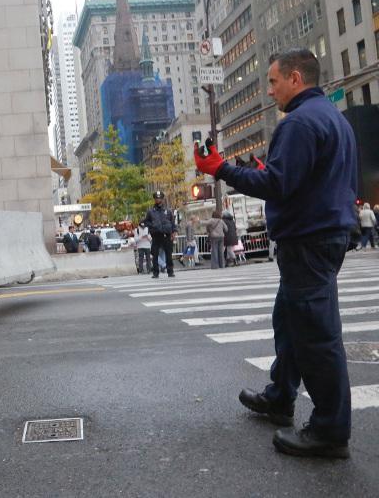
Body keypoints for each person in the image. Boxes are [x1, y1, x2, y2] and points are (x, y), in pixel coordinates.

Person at [194, 49, 357, 458]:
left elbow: (278, 185)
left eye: (273, 81)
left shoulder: (299, 122)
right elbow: (299, 180)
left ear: (296, 78)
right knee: (288, 321)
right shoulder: (333, 119)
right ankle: (280, 396)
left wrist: (221, 169)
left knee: (317, 337)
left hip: (309, 240)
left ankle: (330, 430)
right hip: (322, 235)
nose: (269, 91)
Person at [142, 190, 176, 278]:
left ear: (162, 199)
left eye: (160, 198)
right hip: (156, 235)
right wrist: (152, 226)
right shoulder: (151, 211)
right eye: (156, 198)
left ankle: (170, 271)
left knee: (169, 254)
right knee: (155, 254)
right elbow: (146, 222)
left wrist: (174, 232)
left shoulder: (168, 211)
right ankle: (155, 272)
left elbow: (172, 222)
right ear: (154, 199)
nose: (158, 200)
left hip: (166, 235)